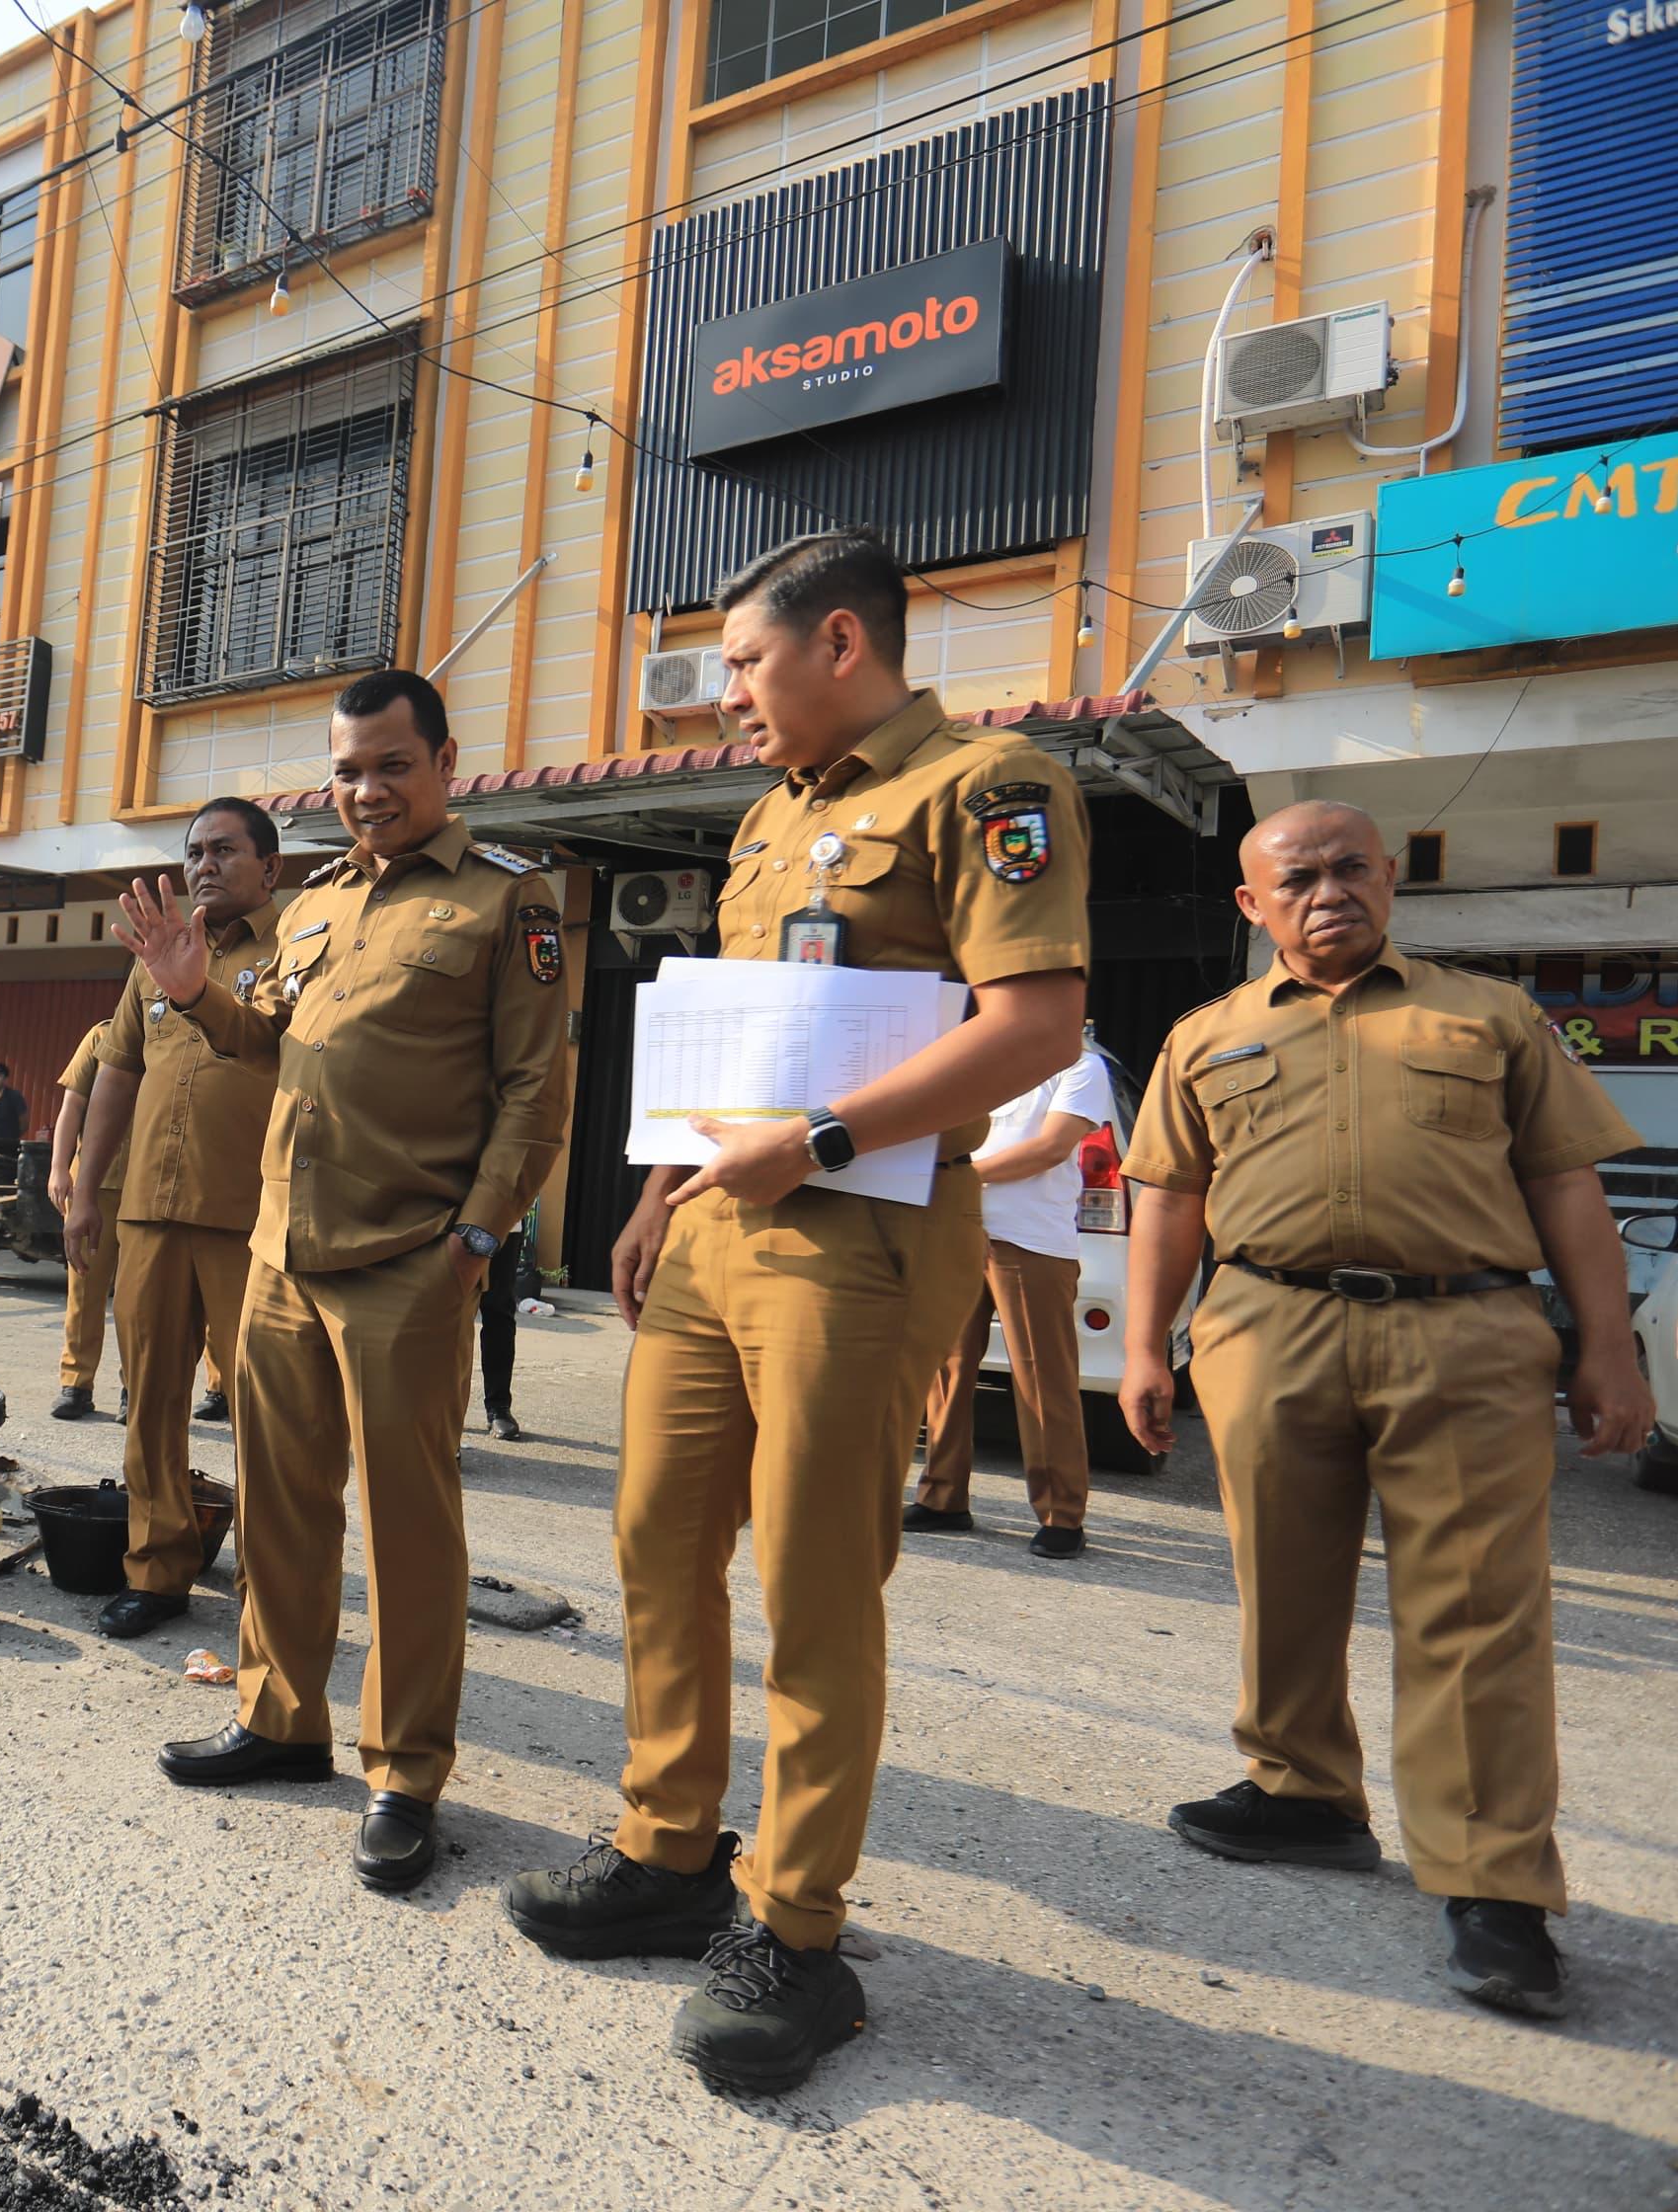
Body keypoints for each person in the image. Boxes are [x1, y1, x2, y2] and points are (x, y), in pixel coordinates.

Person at [502, 529, 1091, 2096]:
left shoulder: (989, 786)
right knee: (655, 1543)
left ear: (843, 642)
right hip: (719, 1222)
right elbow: (741, 1041)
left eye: (747, 665)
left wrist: (820, 1142)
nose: (729, 699)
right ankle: (669, 1846)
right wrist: (653, 1193)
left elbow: (1037, 1027)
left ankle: (798, 1933)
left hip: (862, 1234)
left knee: (816, 1586)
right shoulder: (771, 815)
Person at [1118, 799, 1648, 2020]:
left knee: (1475, 1607)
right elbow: (1168, 1198)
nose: (1327, 891)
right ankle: (1301, 1792)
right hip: (1267, 1324)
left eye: (1350, 867)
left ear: (1390, 880)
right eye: (1294, 877)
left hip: (1463, 1329)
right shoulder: (1205, 1035)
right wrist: (1147, 1345)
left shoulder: (1488, 1016)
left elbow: (1567, 1186)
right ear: (1252, 905)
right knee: (1282, 1577)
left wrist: (1608, 1349)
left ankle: (1496, 1880)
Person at [117, 670, 568, 1897]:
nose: (367, 790)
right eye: (348, 770)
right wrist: (193, 993)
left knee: (412, 1531)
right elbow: (267, 1041)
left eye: (391, 765)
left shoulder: (504, 902)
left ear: (444, 762)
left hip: (405, 1263)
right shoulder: (314, 909)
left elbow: (535, 1089)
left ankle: (405, 1773)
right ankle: (279, 1717)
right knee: (279, 1506)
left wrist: (475, 1243)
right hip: (280, 1255)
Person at [66, 797, 286, 1635]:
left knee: (267, 1414)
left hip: (253, 1222)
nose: (203, 865)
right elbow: (115, 1073)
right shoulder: (151, 957)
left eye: (225, 851)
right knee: (150, 1401)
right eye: (194, 850)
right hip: (152, 1216)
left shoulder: (297, 948)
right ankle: (158, 1570)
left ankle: (269, 1586)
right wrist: (87, 1191)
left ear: (269, 868)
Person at [906, 1031, 1119, 1556]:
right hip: (958, 1230)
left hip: (1030, 1241)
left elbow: (1050, 1148)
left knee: (1041, 1378)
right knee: (948, 1369)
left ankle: (1062, 1514)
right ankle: (943, 1498)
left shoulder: (1081, 1066)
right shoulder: (984, 1062)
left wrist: (959, 1178)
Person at [45, 1023, 124, 1423]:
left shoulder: (177, 1034)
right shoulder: (101, 1037)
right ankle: (76, 1383)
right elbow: (72, 1106)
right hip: (95, 1188)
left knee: (141, 1300)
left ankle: (136, 1386)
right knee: (85, 1289)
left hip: (152, 1187)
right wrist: (60, 1167)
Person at [474, 1206, 541, 1442]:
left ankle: (499, 1407)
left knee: (498, 1311)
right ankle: (439, 1413)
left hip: (503, 1221)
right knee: (447, 1318)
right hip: (447, 1218)